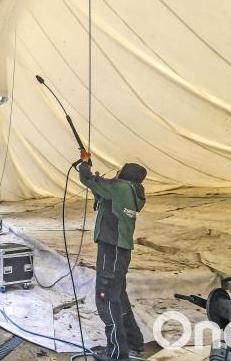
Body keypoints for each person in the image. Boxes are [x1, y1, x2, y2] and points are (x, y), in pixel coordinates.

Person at [78, 150, 147, 361]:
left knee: (106, 297)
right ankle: (134, 341)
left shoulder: (120, 187)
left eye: (120, 170)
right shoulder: (131, 191)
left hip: (111, 249)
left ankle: (116, 352)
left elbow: (88, 179)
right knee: (118, 296)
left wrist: (85, 163)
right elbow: (104, 195)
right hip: (120, 251)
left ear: (126, 174)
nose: (117, 172)